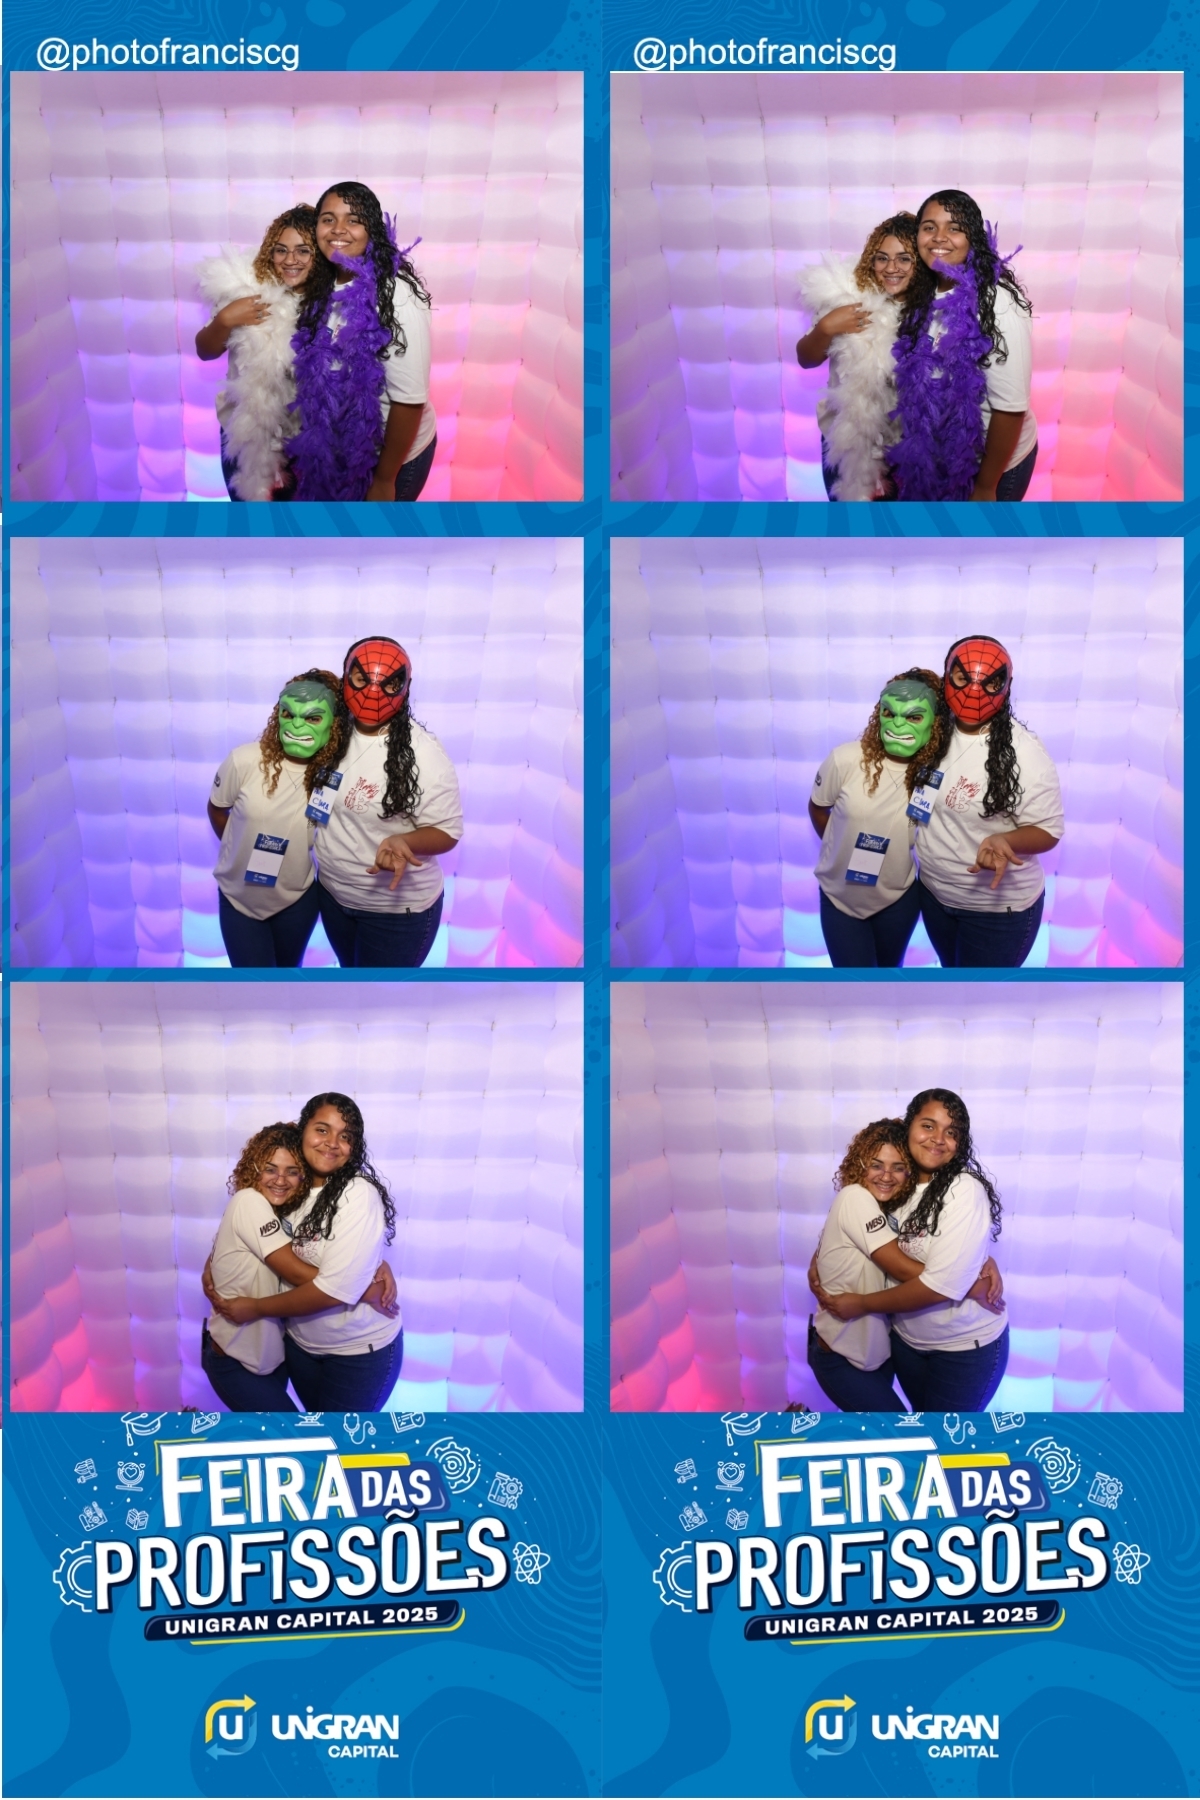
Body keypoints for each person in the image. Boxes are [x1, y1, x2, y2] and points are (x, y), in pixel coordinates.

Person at [815, 1089, 1010, 1412]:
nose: (938, 1139)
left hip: (963, 1349)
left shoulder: (962, 1190)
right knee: (918, 1432)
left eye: (951, 1132)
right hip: (905, 1344)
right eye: (928, 1125)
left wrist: (967, 1271)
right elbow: (853, 1233)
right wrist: (817, 1260)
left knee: (945, 1439)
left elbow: (940, 1285)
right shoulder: (895, 1187)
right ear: (910, 1127)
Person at [209, 1094, 405, 1412]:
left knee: (339, 1440)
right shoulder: (289, 1191)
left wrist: (361, 1276)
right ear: (304, 1131)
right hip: (299, 1348)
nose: (332, 1143)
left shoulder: (357, 1193)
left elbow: (334, 1288)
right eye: (322, 1130)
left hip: (357, 1353)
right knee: (313, 1435)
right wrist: (211, 1266)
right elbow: (245, 1239)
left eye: (345, 1135)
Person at [309, 637, 462, 968]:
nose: (373, 692)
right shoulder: (331, 733)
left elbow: (448, 832)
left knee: (380, 996)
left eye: (389, 683)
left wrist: (405, 840)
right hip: (332, 896)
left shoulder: (423, 754)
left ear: (404, 688)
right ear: (346, 676)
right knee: (350, 983)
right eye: (361, 679)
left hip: (395, 915)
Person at [913, 636, 1063, 968]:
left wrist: (1005, 839)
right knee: (951, 983)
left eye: (990, 682)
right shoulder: (932, 732)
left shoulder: (1024, 752)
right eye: (962, 678)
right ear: (947, 675)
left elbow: (1049, 831)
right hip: (934, 896)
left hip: (996, 914)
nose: (974, 691)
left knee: (980, 997)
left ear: (1005, 687)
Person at [288, 182, 437, 501]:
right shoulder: (320, 284)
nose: (338, 229)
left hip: (393, 459)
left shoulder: (397, 296)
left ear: (372, 230)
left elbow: (410, 401)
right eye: (328, 219)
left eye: (353, 220)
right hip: (340, 453)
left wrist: (384, 479)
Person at [890, 188, 1036, 501]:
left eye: (954, 228)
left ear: (973, 239)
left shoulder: (997, 304)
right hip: (942, 461)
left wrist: (985, 486)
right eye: (929, 227)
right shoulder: (921, 292)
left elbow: (1011, 409)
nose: (939, 237)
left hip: (994, 469)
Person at [809, 669, 953, 967]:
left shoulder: (932, 775)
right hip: (840, 899)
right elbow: (817, 808)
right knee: (855, 987)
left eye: (914, 716)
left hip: (897, 901)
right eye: (890, 712)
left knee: (889, 982)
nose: (898, 723)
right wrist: (841, 847)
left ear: (934, 722)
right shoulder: (845, 759)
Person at [208, 669, 352, 968]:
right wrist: (240, 848)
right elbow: (217, 810)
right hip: (239, 899)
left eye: (313, 717)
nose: (297, 724)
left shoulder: (331, 776)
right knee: (254, 987)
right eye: (289, 713)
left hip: (297, 901)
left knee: (288, 982)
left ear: (333, 723)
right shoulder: (244, 760)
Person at [195, 205, 317, 500]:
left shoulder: (331, 305)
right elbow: (204, 351)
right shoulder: (247, 294)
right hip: (247, 438)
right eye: (281, 250)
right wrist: (225, 319)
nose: (290, 260)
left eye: (303, 251)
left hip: (307, 442)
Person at [796, 212, 919, 500]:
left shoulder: (931, 313)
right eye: (882, 258)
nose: (891, 268)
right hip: (849, 446)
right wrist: (827, 327)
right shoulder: (849, 301)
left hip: (907, 449)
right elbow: (806, 359)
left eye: (904, 259)